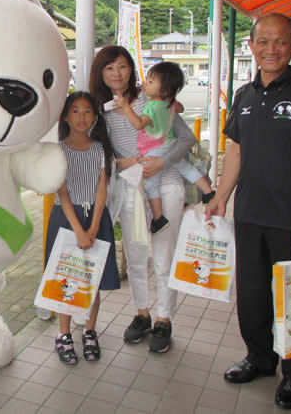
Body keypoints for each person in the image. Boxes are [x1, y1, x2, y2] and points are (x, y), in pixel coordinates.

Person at [205, 13, 291, 410]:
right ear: (251, 46)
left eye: (281, 42)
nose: (271, 49)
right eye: (263, 41)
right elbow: (236, 150)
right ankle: (260, 359)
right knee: (252, 297)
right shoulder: (245, 96)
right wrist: (221, 197)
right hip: (249, 216)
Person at [89, 46, 196, 353]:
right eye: (109, 68)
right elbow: (99, 151)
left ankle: (164, 318)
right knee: (136, 254)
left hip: (165, 180)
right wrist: (121, 163)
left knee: (163, 254)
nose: (117, 74)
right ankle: (142, 313)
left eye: (122, 66)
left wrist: (161, 163)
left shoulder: (153, 99)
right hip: (129, 183)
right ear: (101, 73)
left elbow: (186, 138)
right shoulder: (99, 107)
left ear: (131, 69)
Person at [45, 91, 120, 364]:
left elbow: (103, 190)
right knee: (66, 278)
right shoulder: (57, 150)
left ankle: (90, 331)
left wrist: (94, 225)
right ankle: (63, 334)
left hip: (95, 219)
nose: (81, 116)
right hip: (66, 220)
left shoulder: (100, 148)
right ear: (65, 116)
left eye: (87, 110)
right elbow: (62, 193)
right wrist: (78, 230)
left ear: (95, 116)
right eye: (75, 110)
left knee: (92, 280)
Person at [114, 61, 215, 233]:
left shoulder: (152, 107)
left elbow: (139, 124)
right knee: (185, 167)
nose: (145, 83)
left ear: (165, 90)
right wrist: (172, 100)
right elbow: (181, 108)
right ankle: (208, 191)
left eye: (151, 82)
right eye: (146, 79)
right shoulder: (170, 102)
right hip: (169, 143)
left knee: (150, 183)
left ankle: (159, 218)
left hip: (156, 148)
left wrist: (125, 107)